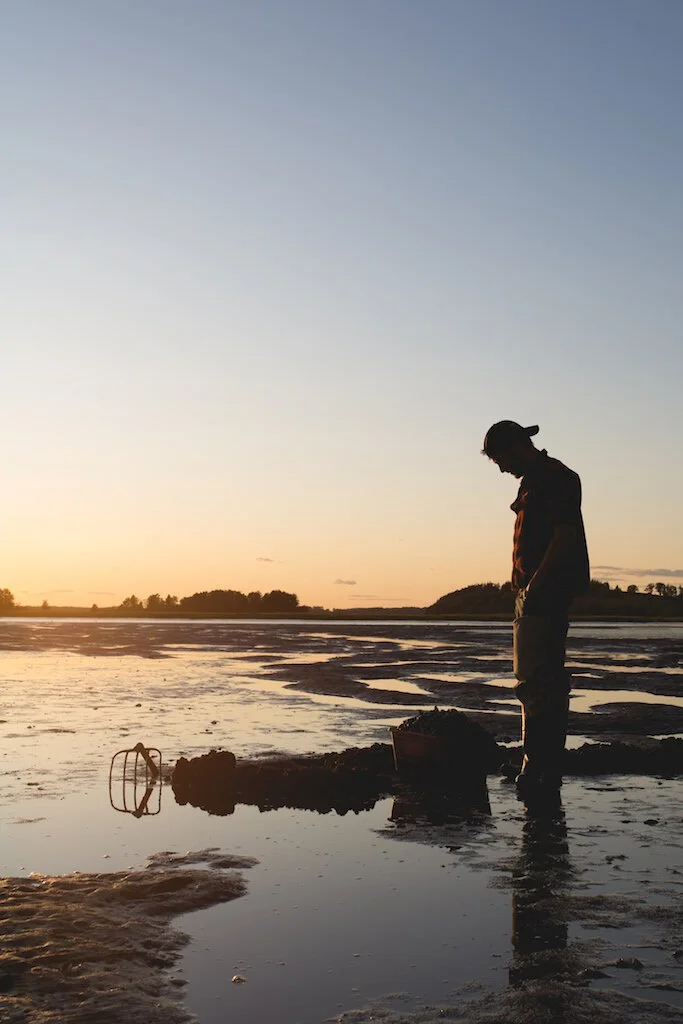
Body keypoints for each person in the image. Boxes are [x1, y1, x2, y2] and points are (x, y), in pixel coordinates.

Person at [482, 421, 589, 791]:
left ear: (516, 447)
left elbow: (564, 537)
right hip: (537, 591)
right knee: (540, 681)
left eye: (500, 459)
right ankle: (540, 766)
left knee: (536, 683)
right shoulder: (536, 479)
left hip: (544, 593)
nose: (500, 468)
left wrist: (534, 588)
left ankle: (537, 767)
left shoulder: (557, 477)